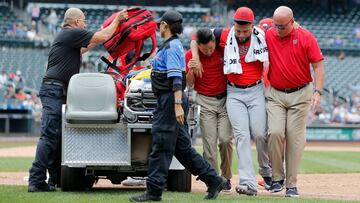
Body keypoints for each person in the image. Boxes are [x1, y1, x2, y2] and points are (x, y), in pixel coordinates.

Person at [28, 7, 129, 192]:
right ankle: (35, 180)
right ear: (76, 23)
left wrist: (105, 29)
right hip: (54, 90)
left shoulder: (68, 37)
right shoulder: (71, 33)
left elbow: (87, 46)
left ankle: (54, 180)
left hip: (57, 90)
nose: (85, 25)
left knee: (57, 137)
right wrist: (117, 20)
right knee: (49, 135)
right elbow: (102, 37)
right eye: (84, 22)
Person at [129, 10, 226, 202]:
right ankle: (214, 180)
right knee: (182, 149)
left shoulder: (172, 46)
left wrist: (176, 105)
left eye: (160, 24)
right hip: (168, 101)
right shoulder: (170, 46)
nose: (158, 27)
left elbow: (176, 78)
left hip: (169, 101)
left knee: (161, 145)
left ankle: (154, 191)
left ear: (165, 25)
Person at [189, 7, 272, 196]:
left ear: (252, 25)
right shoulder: (224, 34)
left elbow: (279, 27)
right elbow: (195, 38)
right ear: (233, 25)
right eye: (238, 30)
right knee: (241, 137)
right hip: (233, 92)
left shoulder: (263, 34)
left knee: (260, 133)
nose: (241, 35)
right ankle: (247, 183)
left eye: (245, 31)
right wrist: (195, 57)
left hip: (256, 89)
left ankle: (266, 171)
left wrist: (297, 26)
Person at [265, 6, 325, 197]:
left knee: (294, 139)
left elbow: (318, 65)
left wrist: (318, 92)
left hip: (301, 94)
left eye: (282, 26)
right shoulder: (268, 34)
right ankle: (277, 178)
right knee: (274, 132)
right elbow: (250, 30)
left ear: (292, 22)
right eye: (276, 26)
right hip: (275, 93)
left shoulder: (306, 37)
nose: (278, 30)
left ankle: (291, 185)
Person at [186, 28, 233, 191]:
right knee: (209, 144)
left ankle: (226, 177)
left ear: (214, 43)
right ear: (198, 46)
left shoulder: (222, 48)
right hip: (205, 101)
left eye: (211, 48)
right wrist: (192, 67)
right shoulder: (190, 55)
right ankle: (213, 179)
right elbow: (190, 83)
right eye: (204, 50)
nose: (208, 52)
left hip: (226, 100)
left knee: (226, 139)